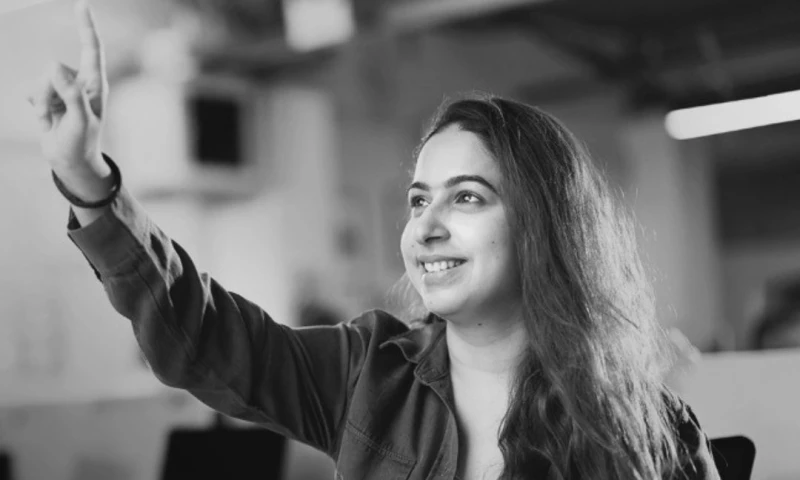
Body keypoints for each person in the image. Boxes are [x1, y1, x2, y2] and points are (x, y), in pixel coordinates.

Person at [27, 2, 720, 479]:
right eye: (418, 200)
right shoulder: (370, 373)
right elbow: (202, 336)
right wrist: (88, 180)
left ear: (543, 225)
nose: (426, 226)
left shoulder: (649, 429)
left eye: (467, 197)